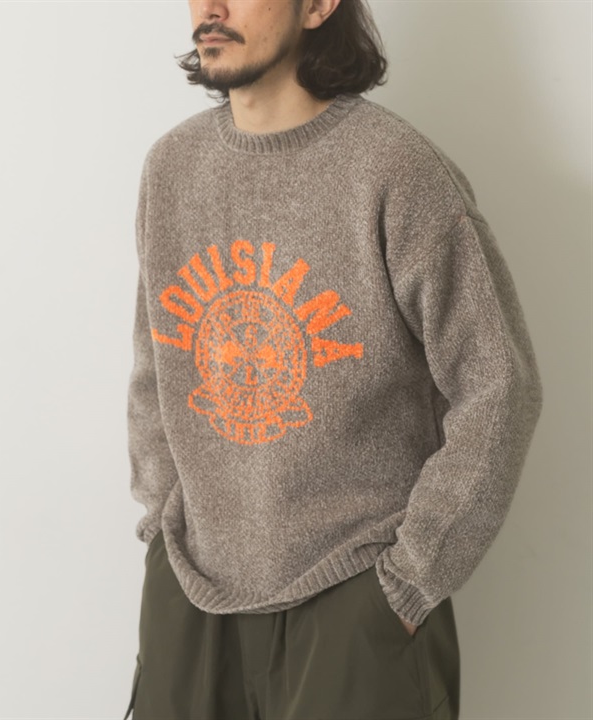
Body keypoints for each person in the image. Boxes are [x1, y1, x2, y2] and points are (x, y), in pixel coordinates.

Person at [122, 0, 544, 718]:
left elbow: (500, 386)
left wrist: (407, 583)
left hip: (353, 600)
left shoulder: (395, 170)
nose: (210, 8)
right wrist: (160, 529)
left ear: (319, 5)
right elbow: (154, 369)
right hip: (192, 592)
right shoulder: (172, 167)